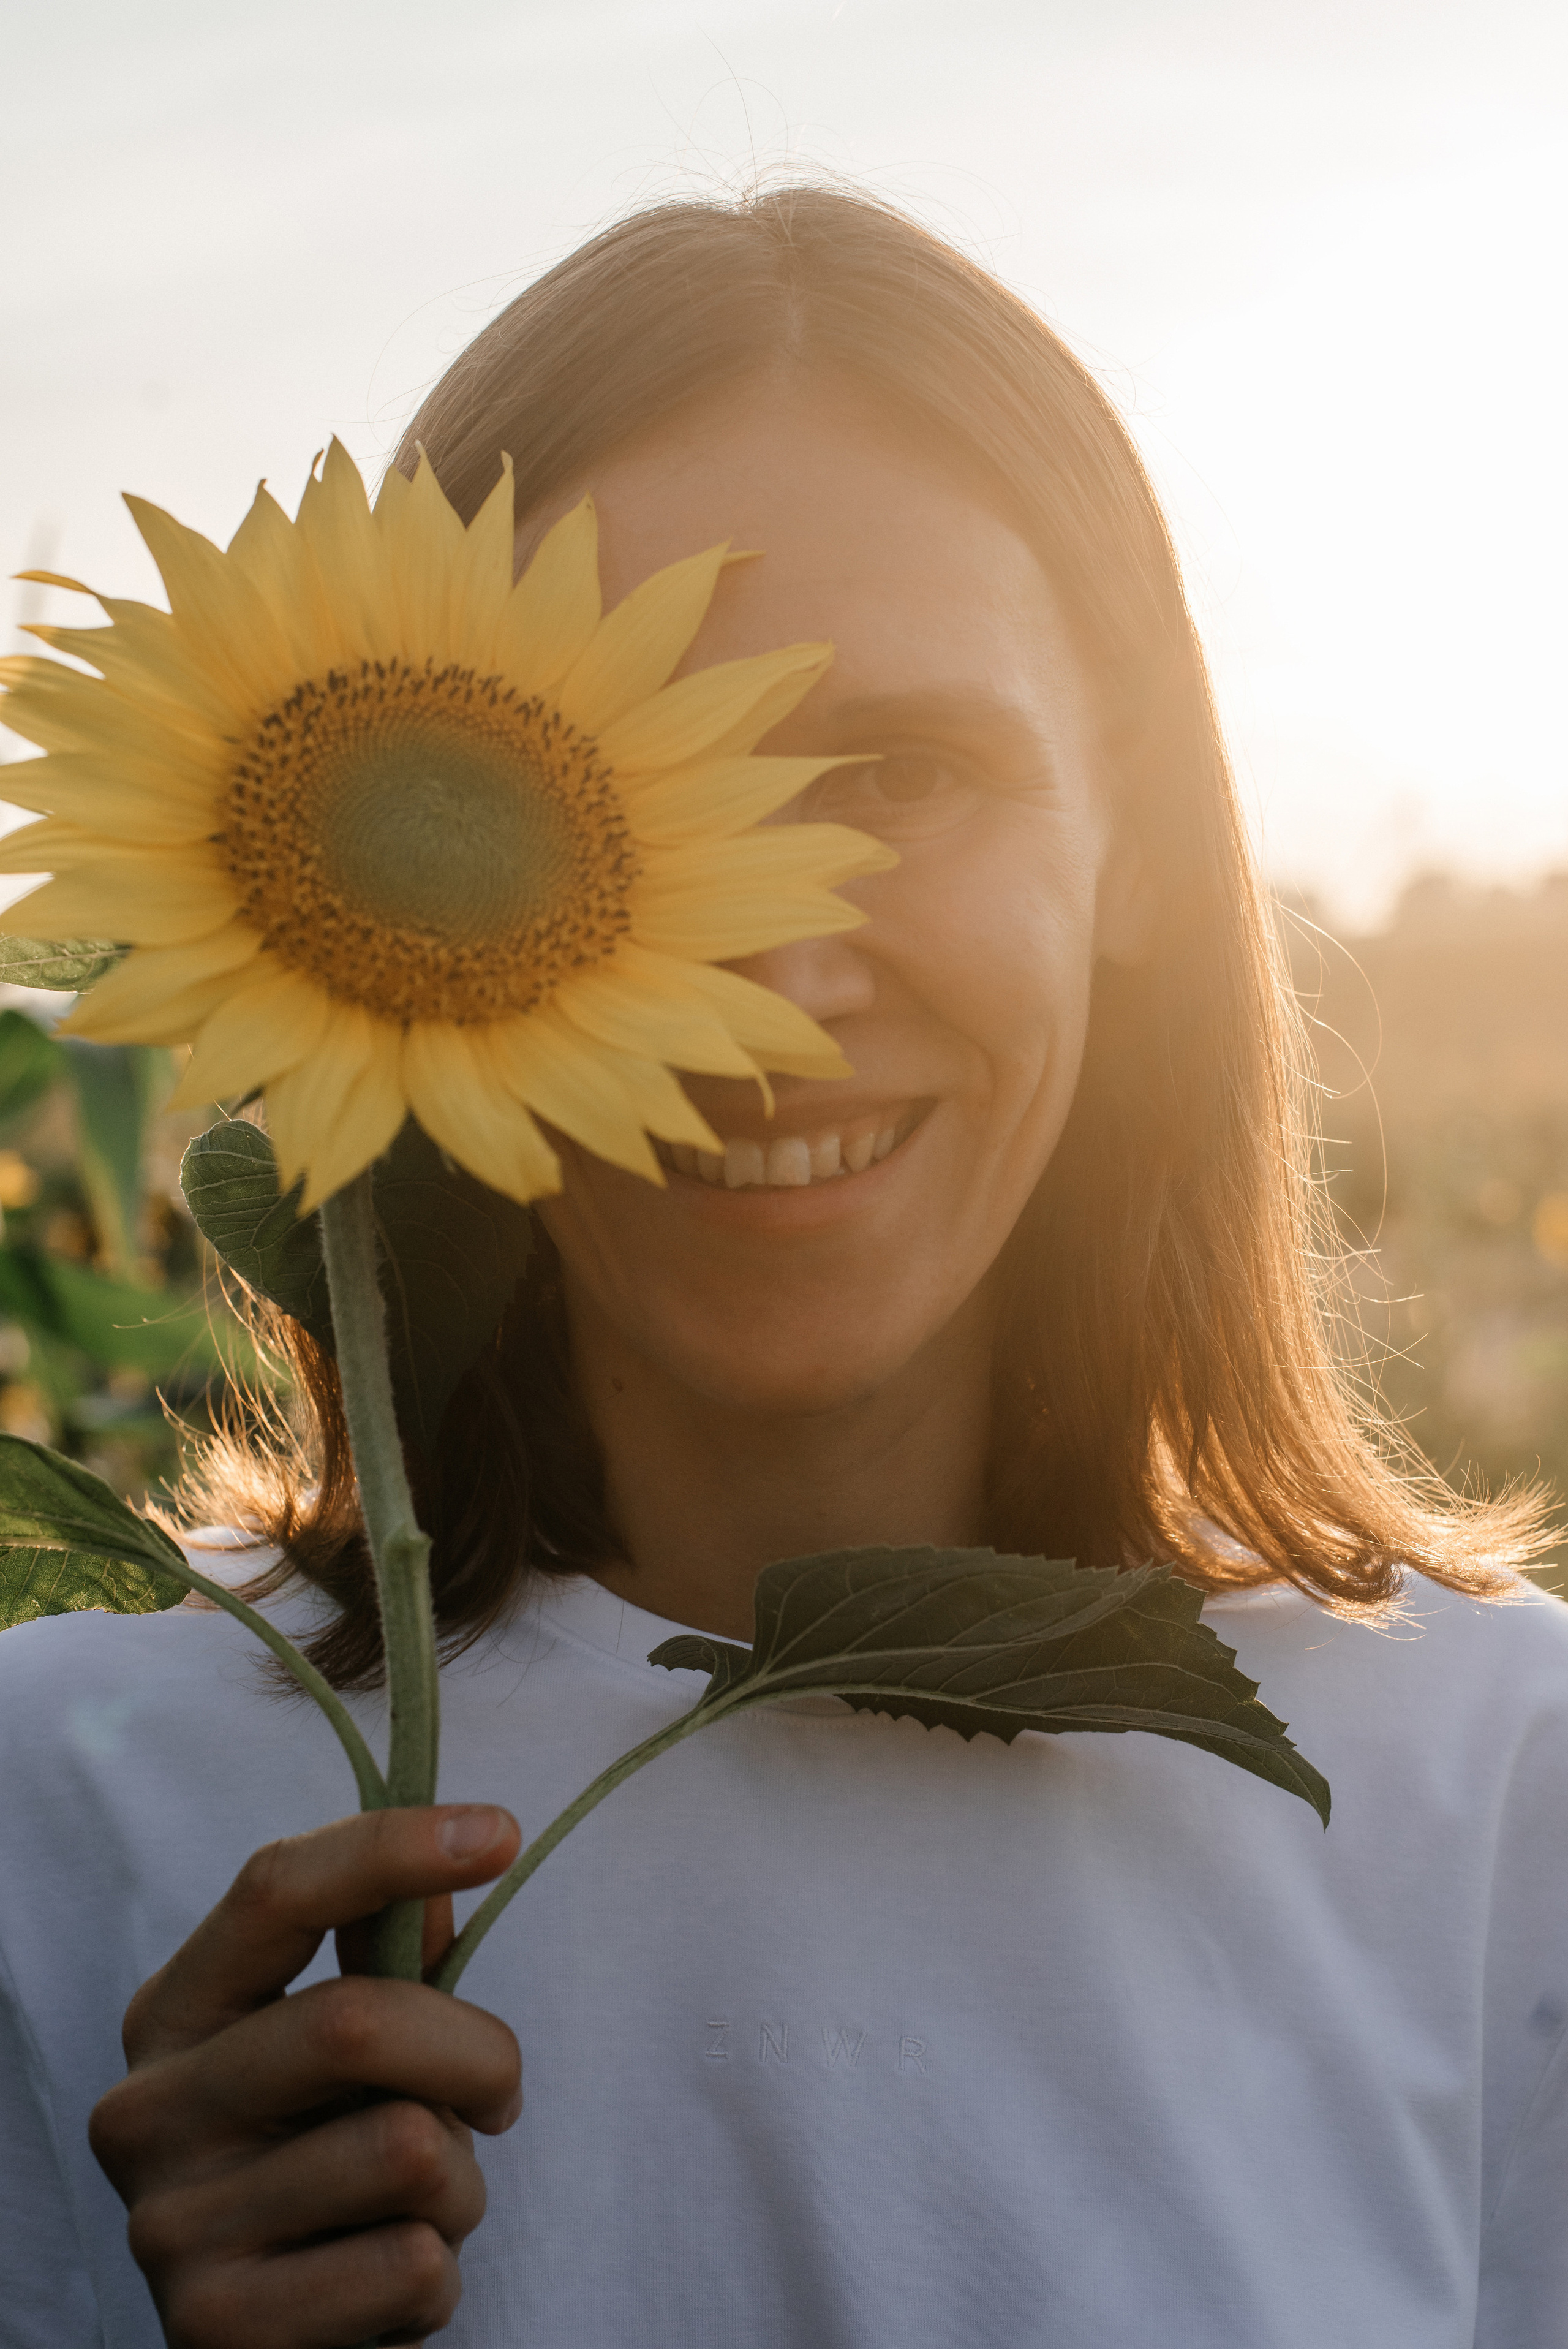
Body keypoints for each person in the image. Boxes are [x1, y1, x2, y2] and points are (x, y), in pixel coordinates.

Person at [2, 185, 1565, 2349]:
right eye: (626, 790)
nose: (767, 971)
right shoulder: (71, 1796)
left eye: (909, 767)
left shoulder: (1496, 1799)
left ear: (1133, 848)